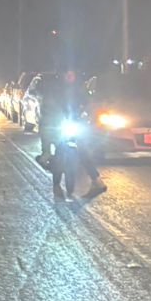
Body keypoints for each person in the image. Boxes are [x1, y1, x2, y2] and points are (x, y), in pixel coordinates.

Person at [43, 66, 106, 201]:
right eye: (68, 74)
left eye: (72, 74)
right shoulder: (55, 89)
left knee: (83, 151)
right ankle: (56, 185)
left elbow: (88, 103)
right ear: (63, 74)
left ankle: (97, 181)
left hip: (76, 124)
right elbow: (48, 108)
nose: (70, 76)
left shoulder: (79, 89)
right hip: (60, 125)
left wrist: (87, 115)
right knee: (59, 153)